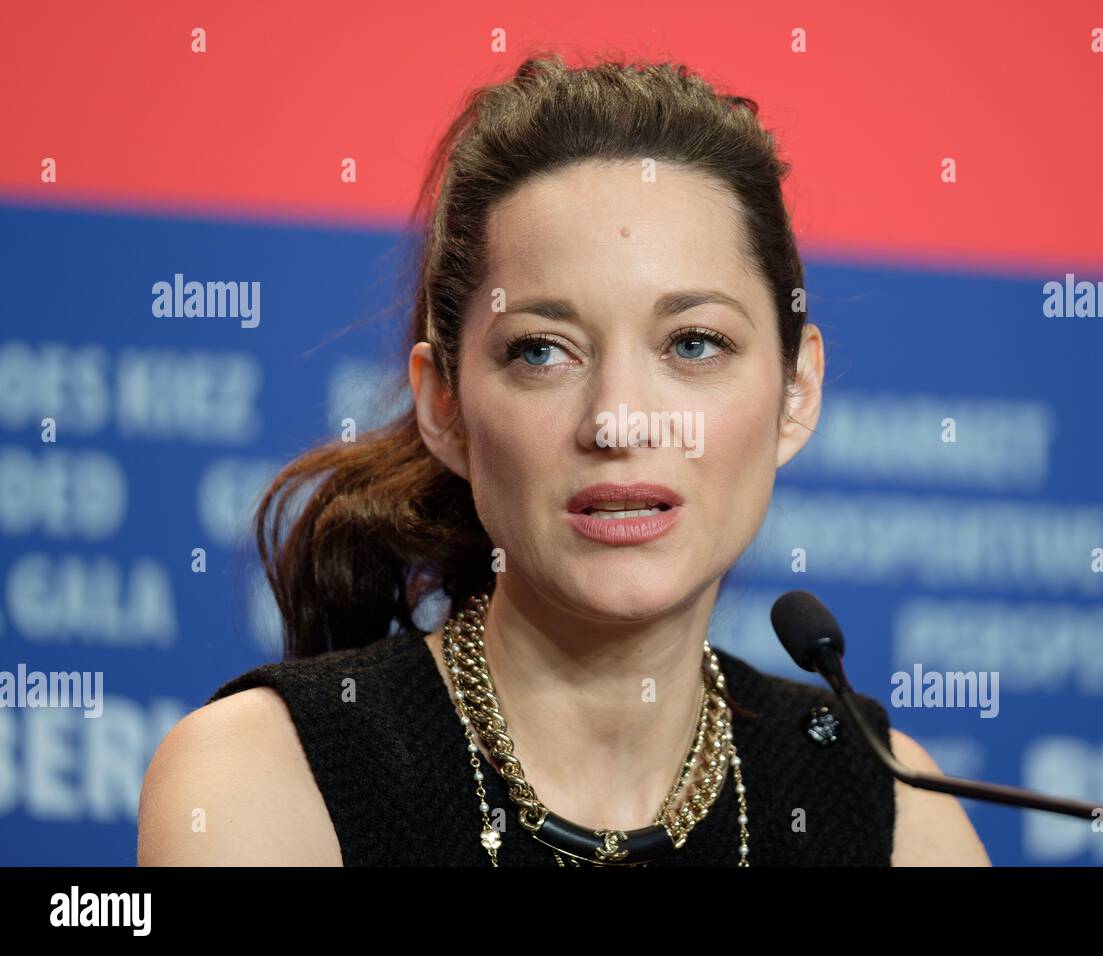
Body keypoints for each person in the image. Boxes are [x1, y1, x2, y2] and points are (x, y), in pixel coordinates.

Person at [137, 53, 990, 867]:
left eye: (693, 343)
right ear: (445, 407)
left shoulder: (893, 810)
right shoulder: (262, 779)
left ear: (795, 392)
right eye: (542, 352)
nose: (617, 421)